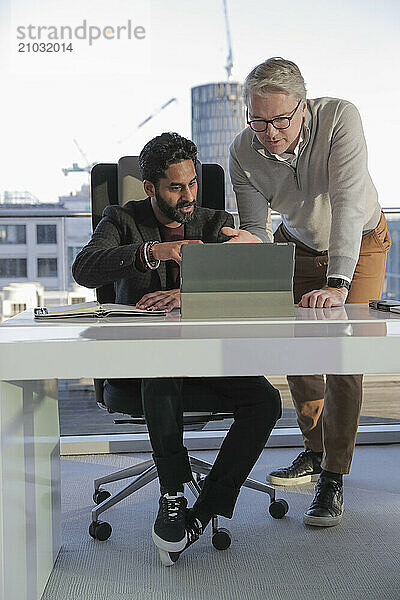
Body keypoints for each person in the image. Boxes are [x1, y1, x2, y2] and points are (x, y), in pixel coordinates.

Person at [72, 132, 281, 561]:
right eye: (175, 187)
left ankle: (201, 514)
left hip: (206, 367)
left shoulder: (211, 222)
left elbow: (249, 287)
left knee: (266, 401)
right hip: (139, 377)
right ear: (150, 187)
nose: (187, 196)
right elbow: (85, 268)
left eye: (192, 184)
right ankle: (172, 491)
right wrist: (154, 251)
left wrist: (191, 295)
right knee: (160, 364)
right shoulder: (121, 219)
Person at [225, 58, 391, 527]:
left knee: (342, 354)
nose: (270, 132)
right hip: (297, 245)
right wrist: (242, 258)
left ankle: (334, 477)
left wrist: (337, 283)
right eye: (258, 121)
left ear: (303, 106)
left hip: (359, 240)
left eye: (281, 120)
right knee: (298, 350)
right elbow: (257, 229)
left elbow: (345, 204)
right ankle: (313, 452)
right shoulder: (243, 151)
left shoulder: (340, 117)